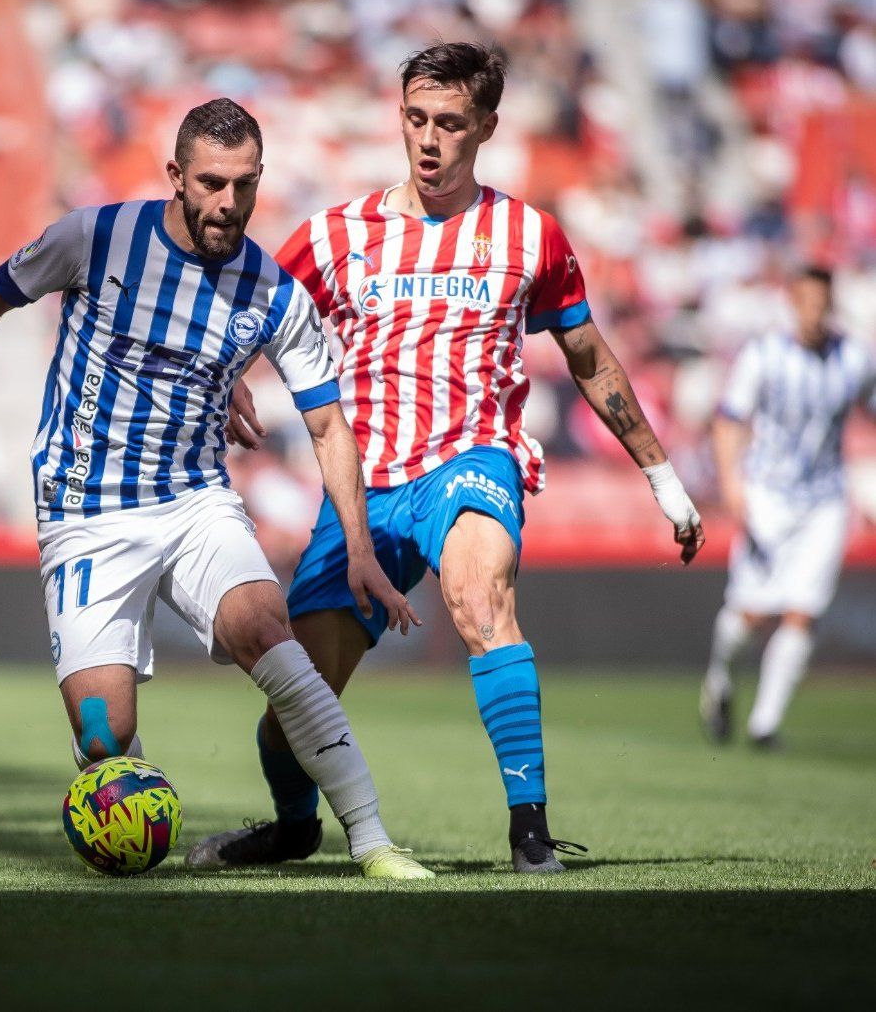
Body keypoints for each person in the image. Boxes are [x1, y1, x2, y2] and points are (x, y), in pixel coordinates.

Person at [187, 43, 704, 876]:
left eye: (451, 124)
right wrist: (228, 378)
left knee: (478, 596)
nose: (429, 141)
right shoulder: (334, 234)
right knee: (295, 694)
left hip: (472, 460)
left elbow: (589, 356)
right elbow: (247, 315)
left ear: (487, 127)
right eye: (416, 119)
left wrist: (662, 476)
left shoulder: (528, 235)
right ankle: (293, 827)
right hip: (362, 488)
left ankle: (529, 831)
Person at [0, 98, 433, 880]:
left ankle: (371, 842)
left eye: (244, 184)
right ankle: (122, 808)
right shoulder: (96, 237)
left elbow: (331, 429)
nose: (228, 203)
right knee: (103, 739)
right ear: (176, 176)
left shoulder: (272, 292)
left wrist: (360, 551)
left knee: (272, 636)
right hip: (85, 512)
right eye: (210, 183)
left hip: (195, 500)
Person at [701, 266, 876, 747]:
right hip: (768, 496)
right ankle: (719, 679)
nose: (815, 313)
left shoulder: (854, 359)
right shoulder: (764, 356)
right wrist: (733, 486)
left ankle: (766, 724)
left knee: (803, 612)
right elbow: (729, 420)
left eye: (823, 303)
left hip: (825, 500)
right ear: (793, 304)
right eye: (807, 303)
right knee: (751, 614)